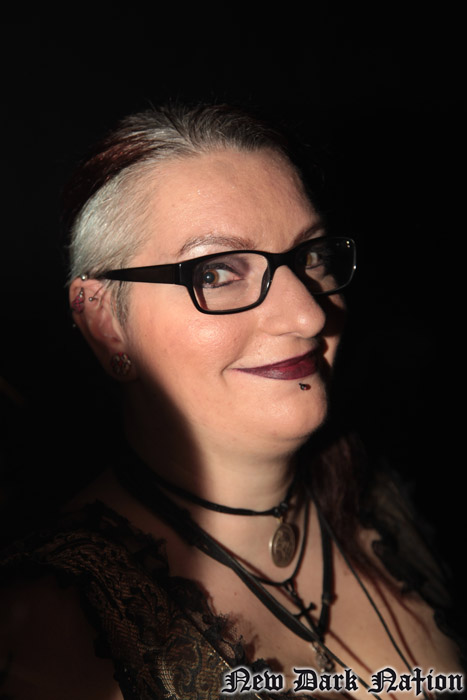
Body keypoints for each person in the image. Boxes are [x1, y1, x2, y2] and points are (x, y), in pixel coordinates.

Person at [0, 103, 464, 699]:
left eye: (310, 257)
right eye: (216, 273)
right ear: (105, 324)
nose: (308, 314)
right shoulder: (51, 628)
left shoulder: (387, 502)